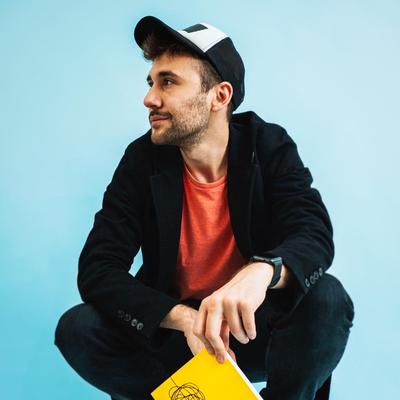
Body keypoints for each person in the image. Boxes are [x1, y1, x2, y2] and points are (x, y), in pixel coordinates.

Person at [54, 16, 354, 400]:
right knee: (79, 327)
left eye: (168, 82)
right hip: (175, 337)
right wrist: (186, 320)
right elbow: (98, 269)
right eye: (151, 83)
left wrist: (262, 271)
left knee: (326, 297)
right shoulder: (141, 160)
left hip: (249, 331)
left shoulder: (268, 145)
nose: (150, 98)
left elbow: (313, 234)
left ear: (219, 96)